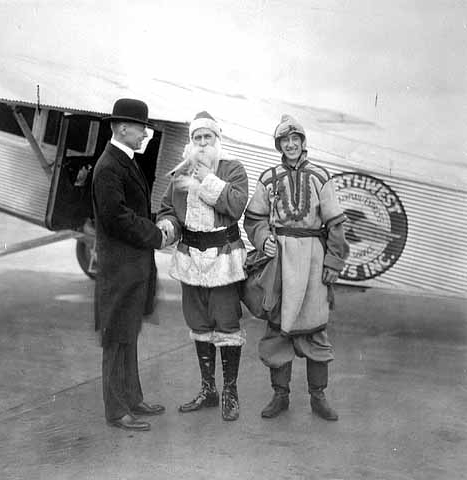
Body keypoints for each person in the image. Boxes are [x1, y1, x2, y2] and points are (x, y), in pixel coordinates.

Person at [244, 114, 349, 421]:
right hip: (280, 262)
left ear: (303, 143)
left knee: (315, 326)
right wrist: (264, 240)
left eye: (295, 139)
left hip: (313, 260)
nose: (290, 145)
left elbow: (335, 223)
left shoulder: (320, 176)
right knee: (278, 326)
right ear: (279, 145)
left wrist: (333, 261)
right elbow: (254, 219)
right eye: (284, 141)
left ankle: (319, 396)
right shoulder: (268, 178)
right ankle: (280, 395)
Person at [156, 111, 248, 421]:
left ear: (217, 140)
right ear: (190, 142)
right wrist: (167, 226)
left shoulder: (233, 169)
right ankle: (208, 390)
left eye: (208, 137)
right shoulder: (179, 174)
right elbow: (168, 209)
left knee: (226, 325)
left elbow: (235, 206)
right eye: (197, 138)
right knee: (198, 323)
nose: (202, 143)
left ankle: (230, 393)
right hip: (190, 259)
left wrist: (205, 180)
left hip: (223, 258)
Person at [92, 98, 167, 432]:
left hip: (131, 266)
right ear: (123, 128)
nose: (145, 135)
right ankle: (116, 410)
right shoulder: (109, 166)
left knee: (128, 334)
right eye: (142, 128)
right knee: (116, 338)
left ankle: (132, 398)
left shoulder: (124, 161)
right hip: (119, 268)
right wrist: (157, 235)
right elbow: (117, 218)